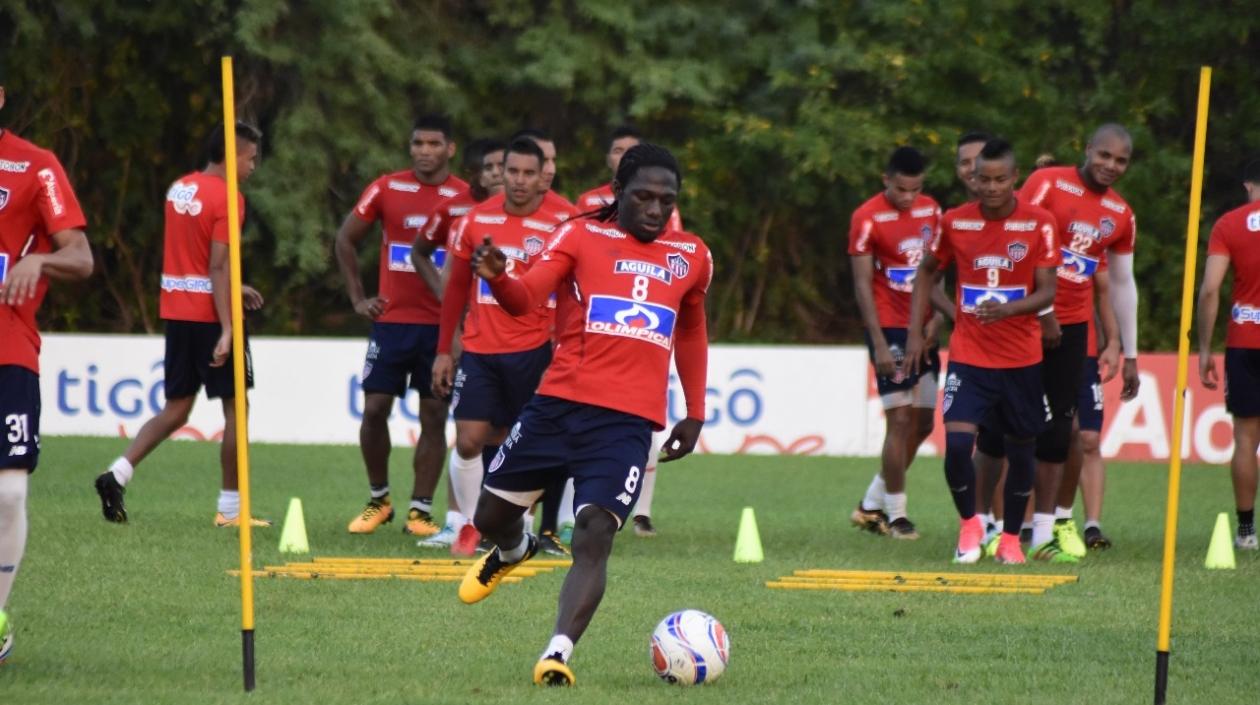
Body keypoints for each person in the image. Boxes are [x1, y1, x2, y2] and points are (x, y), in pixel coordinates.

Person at [457, 144, 712, 686]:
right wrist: (500, 278)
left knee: (593, 534)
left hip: (625, 423)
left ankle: (557, 653)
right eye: (643, 196)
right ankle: (514, 547)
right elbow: (526, 299)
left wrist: (694, 411)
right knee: (489, 518)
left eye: (666, 200)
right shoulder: (579, 234)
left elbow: (690, 329)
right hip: (557, 406)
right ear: (618, 193)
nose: (655, 208)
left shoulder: (692, 254)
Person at [96, 122, 267, 528]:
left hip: (177, 312)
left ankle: (117, 473)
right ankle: (230, 511)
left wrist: (233, 284)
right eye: (250, 158)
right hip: (210, 317)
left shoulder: (180, 189)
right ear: (231, 154)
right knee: (236, 412)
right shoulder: (231, 197)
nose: (253, 167)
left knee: (176, 410)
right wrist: (227, 328)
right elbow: (216, 263)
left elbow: (195, 259)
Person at [906, 138, 1060, 565]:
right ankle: (970, 524)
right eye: (983, 179)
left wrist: (1008, 309)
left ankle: (1010, 538)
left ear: (1015, 178)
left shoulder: (1039, 222)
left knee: (1021, 449)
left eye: (1000, 179)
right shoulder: (955, 222)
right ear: (972, 179)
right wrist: (917, 331)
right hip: (970, 357)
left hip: (1022, 359)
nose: (991, 187)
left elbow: (1048, 289)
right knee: (957, 447)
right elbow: (926, 273)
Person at [431, 138, 576, 556]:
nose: (519, 180)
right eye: (513, 171)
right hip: (480, 348)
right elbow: (456, 285)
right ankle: (470, 526)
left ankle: (521, 527)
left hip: (535, 349)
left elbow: (572, 291)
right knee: (468, 439)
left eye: (529, 173)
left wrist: (564, 345)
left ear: (542, 175)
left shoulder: (564, 221)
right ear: (502, 171)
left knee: (526, 441)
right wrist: (445, 348)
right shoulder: (475, 220)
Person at [335, 114, 468, 536]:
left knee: (433, 414)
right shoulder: (387, 187)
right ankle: (379, 500)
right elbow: (345, 239)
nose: (424, 151)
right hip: (391, 322)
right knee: (374, 409)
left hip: (439, 327)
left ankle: (420, 510)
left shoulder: (464, 197)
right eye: (418, 143)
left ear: (451, 149)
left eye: (434, 144)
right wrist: (358, 299)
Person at [0, 81, 94, 663]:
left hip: (9, 348)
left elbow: (81, 256)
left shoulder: (36, 166)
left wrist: (39, 258)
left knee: (9, 492)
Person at [1025, 124, 1139, 553]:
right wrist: (1040, 311)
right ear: (1088, 149)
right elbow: (1015, 235)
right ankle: (997, 523)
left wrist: (1129, 350)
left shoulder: (1121, 215)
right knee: (1009, 425)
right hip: (1023, 321)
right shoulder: (1047, 182)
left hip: (1073, 329)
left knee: (1071, 431)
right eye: (1105, 155)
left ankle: (1059, 521)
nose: (1111, 165)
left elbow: (1123, 284)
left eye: (1121, 160)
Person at [576, 125, 683, 539]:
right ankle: (577, 511)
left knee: (644, 421)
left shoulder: (662, 208)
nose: (624, 155)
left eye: (631, 150)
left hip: (646, 327)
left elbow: (673, 258)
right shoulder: (587, 204)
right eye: (617, 149)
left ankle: (640, 510)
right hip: (596, 329)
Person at [847, 146, 944, 540]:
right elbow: (862, 285)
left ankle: (871, 504)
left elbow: (939, 270)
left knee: (922, 422)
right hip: (889, 328)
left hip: (922, 328)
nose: (908, 197)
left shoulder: (932, 211)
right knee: (900, 419)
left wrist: (936, 318)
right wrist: (879, 344)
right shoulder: (866, 218)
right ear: (886, 180)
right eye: (901, 189)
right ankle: (897, 515)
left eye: (915, 189)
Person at [1197, 157, 1260, 551]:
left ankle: (1246, 531)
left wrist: (1204, 349)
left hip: (1244, 341)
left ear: (1248, 185)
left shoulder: (1229, 224)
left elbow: (1209, 290)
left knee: (1245, 439)